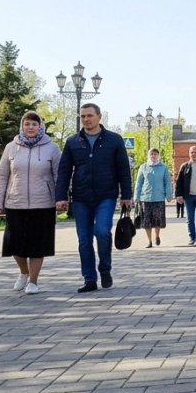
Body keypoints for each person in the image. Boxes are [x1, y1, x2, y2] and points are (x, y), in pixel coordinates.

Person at [55, 103, 133, 293]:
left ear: (99, 117)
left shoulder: (114, 140)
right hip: (81, 198)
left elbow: (123, 168)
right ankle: (89, 278)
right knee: (84, 240)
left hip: (106, 195)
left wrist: (126, 195)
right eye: (82, 116)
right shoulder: (73, 141)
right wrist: (61, 196)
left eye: (90, 116)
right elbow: (64, 170)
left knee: (102, 232)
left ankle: (105, 269)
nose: (86, 119)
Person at [0, 112, 60, 293]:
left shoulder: (51, 148)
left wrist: (61, 199)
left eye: (34, 124)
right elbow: (1, 177)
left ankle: (33, 281)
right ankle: (24, 272)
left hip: (43, 203)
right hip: (16, 202)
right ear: (22, 126)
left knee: (37, 244)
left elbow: (59, 176)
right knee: (14, 243)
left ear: (40, 127)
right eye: (27, 124)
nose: (30, 127)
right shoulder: (11, 148)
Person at [134, 148, 173, 248]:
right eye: (151, 154)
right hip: (145, 198)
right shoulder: (143, 167)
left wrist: (168, 195)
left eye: (155, 154)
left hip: (159, 198)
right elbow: (139, 183)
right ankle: (149, 241)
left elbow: (167, 182)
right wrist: (136, 196)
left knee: (157, 220)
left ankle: (157, 236)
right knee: (146, 221)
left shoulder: (163, 167)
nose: (153, 156)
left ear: (158, 156)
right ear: (149, 156)